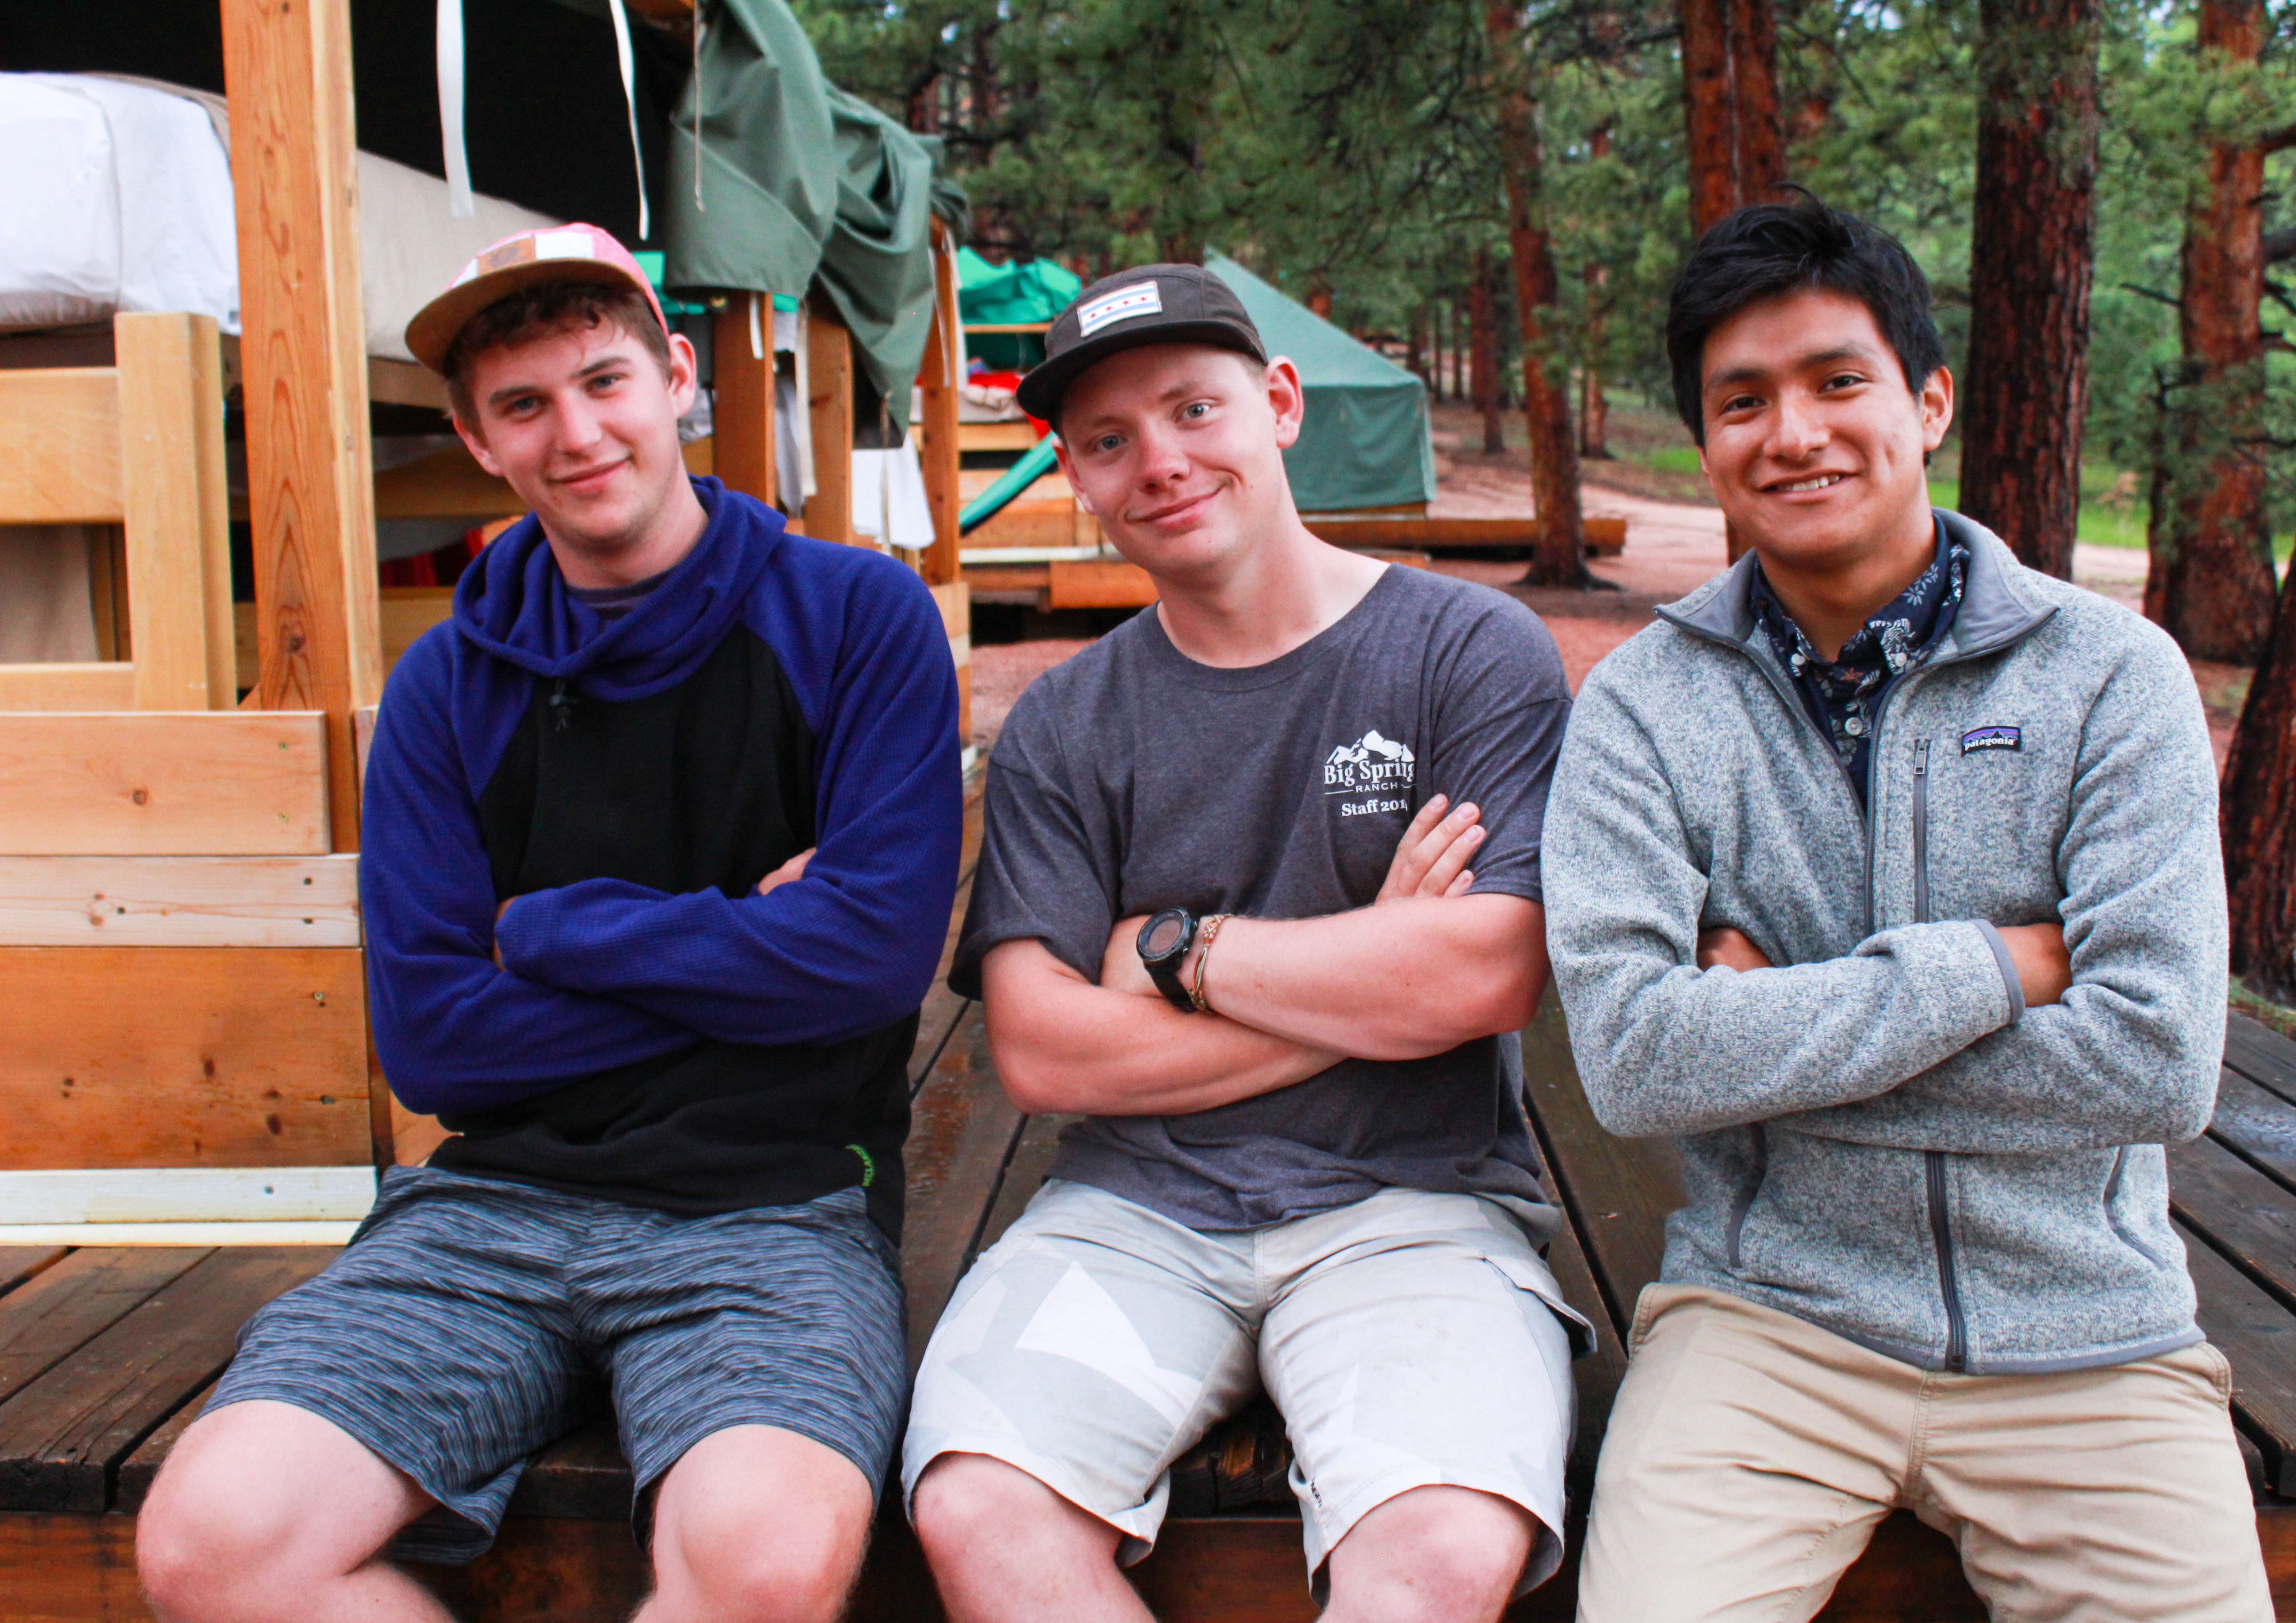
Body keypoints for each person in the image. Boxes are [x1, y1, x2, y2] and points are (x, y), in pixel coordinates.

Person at [136, 224, 964, 1623]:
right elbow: (438, 1049)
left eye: (603, 382)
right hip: (487, 1210)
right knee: (212, 1545)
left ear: (678, 378)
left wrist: (551, 931)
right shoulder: (443, 691)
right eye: (524, 404)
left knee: (762, 1567)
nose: (576, 434)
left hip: (774, 1207)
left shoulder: (855, 617)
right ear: (476, 437)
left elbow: (874, 961)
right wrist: (752, 963)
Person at [1542, 196, 2271, 1622]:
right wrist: (1994, 970)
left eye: (1837, 380)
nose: (1793, 433)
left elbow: (2160, 1060)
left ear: (1928, 402)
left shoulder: (2110, 677)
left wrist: (1766, 1028)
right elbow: (1631, 1063)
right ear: (1706, 441)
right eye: (1742, 401)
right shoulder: (1642, 705)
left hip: (2093, 1342)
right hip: (1766, 1327)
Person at [903, 264, 1585, 1623]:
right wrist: (1377, 968)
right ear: (1075, 476)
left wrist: (1179, 954)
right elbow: (1041, 1053)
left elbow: (1491, 974)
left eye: (1193, 409)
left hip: (1420, 1210)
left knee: (1444, 1554)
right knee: (981, 1514)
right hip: (1132, 1215)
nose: (1159, 461)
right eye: (1109, 439)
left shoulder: (1467, 652)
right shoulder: (1066, 725)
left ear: (1278, 403)